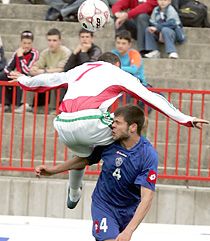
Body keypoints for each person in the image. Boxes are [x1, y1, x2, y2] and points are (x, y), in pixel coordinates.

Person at [10, 52, 209, 210]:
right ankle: (136, 167)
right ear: (116, 65)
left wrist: (24, 81)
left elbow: (49, 79)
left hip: (62, 124)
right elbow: (151, 97)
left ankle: (73, 191)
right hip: (89, 122)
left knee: (83, 151)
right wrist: (185, 119)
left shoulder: (81, 68)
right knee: (123, 128)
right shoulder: (117, 73)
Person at [35, 105, 158, 241]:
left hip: (128, 210)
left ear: (133, 127)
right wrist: (53, 170)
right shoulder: (109, 141)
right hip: (104, 204)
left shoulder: (147, 155)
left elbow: (147, 197)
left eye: (117, 122)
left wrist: (129, 231)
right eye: (113, 122)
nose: (113, 125)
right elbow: (85, 159)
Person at [30, 28, 71, 112]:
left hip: (62, 79)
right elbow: (38, 65)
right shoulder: (45, 52)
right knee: (29, 78)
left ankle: (55, 108)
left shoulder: (66, 52)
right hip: (49, 77)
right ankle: (28, 105)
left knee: (55, 80)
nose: (51, 43)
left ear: (60, 41)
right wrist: (34, 69)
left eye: (54, 40)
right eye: (49, 40)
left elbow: (61, 69)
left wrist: (44, 71)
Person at [0, 31, 39, 113]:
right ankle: (4, 104)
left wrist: (21, 57)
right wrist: (11, 73)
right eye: (24, 43)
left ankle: (19, 105)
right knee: (2, 76)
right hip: (17, 75)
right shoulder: (17, 52)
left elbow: (27, 71)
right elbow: (7, 68)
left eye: (29, 43)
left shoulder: (34, 53)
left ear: (32, 43)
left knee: (21, 78)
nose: (26, 46)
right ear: (21, 43)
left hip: (29, 77)